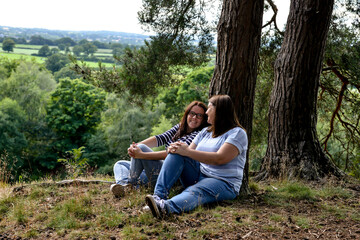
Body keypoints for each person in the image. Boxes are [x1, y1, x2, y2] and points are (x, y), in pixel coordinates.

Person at [145, 95, 248, 218]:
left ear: (219, 111)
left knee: (196, 191)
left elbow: (220, 158)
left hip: (223, 182)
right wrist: (178, 148)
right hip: (198, 174)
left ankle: (164, 208)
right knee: (178, 152)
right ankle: (158, 197)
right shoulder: (205, 132)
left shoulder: (237, 133)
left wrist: (187, 151)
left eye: (209, 108)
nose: (206, 112)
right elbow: (188, 152)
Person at [110, 101, 209, 198]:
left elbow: (172, 154)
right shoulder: (180, 127)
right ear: (187, 114)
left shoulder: (198, 135)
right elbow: (160, 138)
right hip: (155, 171)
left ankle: (131, 184)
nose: (194, 117)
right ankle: (124, 186)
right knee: (120, 164)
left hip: (167, 176)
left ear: (203, 119)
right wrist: (135, 146)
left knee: (142, 149)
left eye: (199, 116)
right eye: (192, 113)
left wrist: (141, 154)